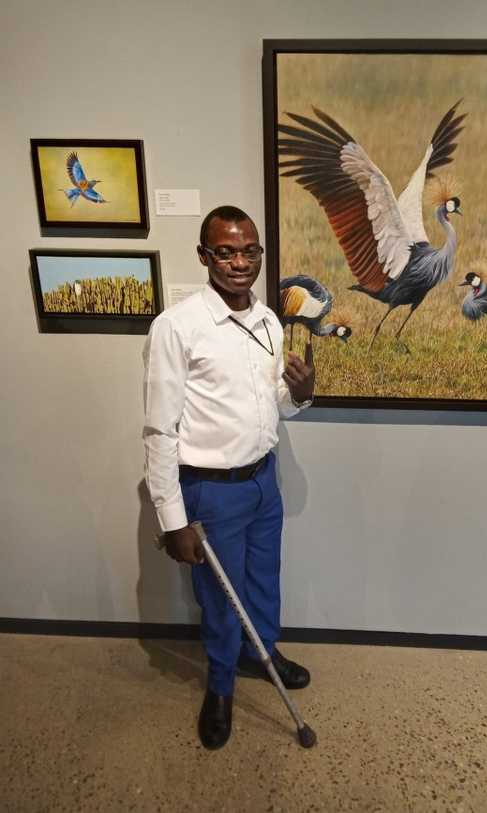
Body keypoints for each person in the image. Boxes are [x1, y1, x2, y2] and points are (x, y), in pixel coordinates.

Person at [142, 205, 314, 750]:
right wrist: (173, 521)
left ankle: (260, 650)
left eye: (250, 251)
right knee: (220, 597)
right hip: (211, 491)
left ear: (260, 254)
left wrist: (302, 394)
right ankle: (219, 687)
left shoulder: (268, 321)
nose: (240, 262)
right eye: (226, 251)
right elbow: (159, 430)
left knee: (264, 578)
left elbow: (277, 405)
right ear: (204, 256)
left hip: (264, 481)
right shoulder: (177, 326)